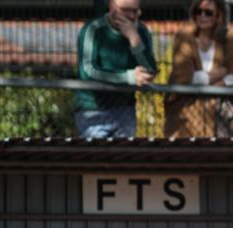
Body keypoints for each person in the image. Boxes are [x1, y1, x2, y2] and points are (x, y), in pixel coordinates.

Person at [76, 0, 158, 138]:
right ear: (112, 6)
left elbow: (150, 70)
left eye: (135, 11)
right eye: (126, 10)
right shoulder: (93, 29)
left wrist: (134, 38)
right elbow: (88, 71)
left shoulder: (141, 31)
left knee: (123, 155)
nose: (132, 16)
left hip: (126, 109)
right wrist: (128, 77)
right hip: (93, 109)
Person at [165, 0, 233, 137]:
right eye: (198, 11)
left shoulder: (227, 40)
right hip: (185, 112)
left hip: (217, 117)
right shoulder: (183, 37)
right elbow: (183, 78)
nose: (202, 16)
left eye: (208, 13)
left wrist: (221, 83)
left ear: (218, 15)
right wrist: (221, 73)